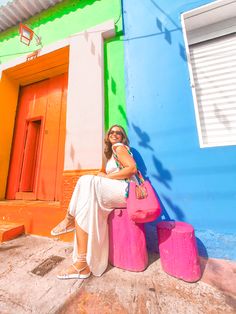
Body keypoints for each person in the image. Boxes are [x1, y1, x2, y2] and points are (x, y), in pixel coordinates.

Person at [52, 124, 138, 279]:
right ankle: (82, 263)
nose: (114, 134)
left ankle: (69, 219)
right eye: (111, 131)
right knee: (85, 202)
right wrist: (102, 174)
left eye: (118, 132)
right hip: (117, 190)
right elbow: (110, 173)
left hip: (126, 191)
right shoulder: (111, 154)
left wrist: (106, 177)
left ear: (122, 137)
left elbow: (132, 168)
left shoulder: (119, 147)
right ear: (108, 135)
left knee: (85, 180)